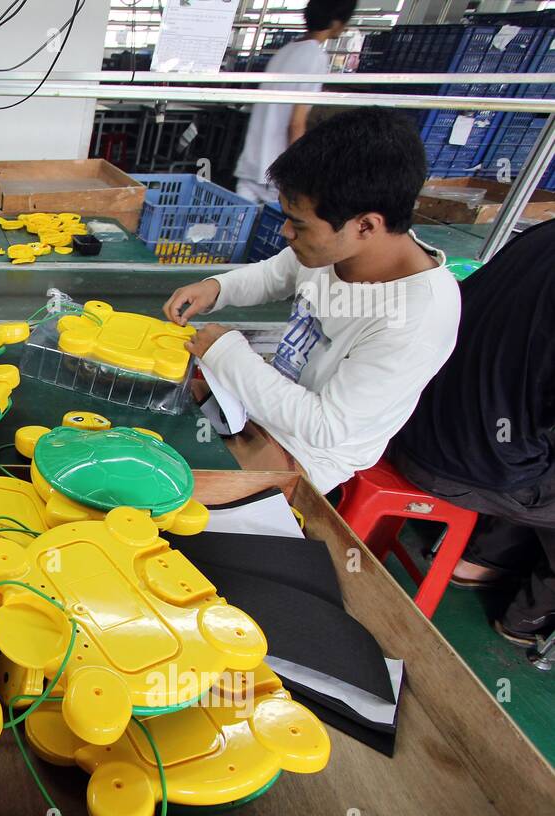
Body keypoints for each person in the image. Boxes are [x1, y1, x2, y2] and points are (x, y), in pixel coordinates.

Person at [163, 107, 460, 494]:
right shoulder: (331, 250)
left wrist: (226, 353)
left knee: (167, 495)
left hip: (304, 453)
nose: (286, 232)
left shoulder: (416, 319)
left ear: (366, 225)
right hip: (252, 404)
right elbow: (277, 273)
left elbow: (324, 426)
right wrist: (217, 288)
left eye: (298, 224)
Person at [390, 219, 555, 648]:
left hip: (410, 415)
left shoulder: (544, 231)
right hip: (458, 462)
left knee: (526, 424)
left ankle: (482, 558)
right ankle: (528, 615)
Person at [232, 0, 356, 204]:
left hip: (252, 161)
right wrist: (300, 169)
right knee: (273, 230)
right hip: (276, 168)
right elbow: (296, 122)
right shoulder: (315, 57)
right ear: (336, 23)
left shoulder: (285, 51)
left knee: (237, 229)